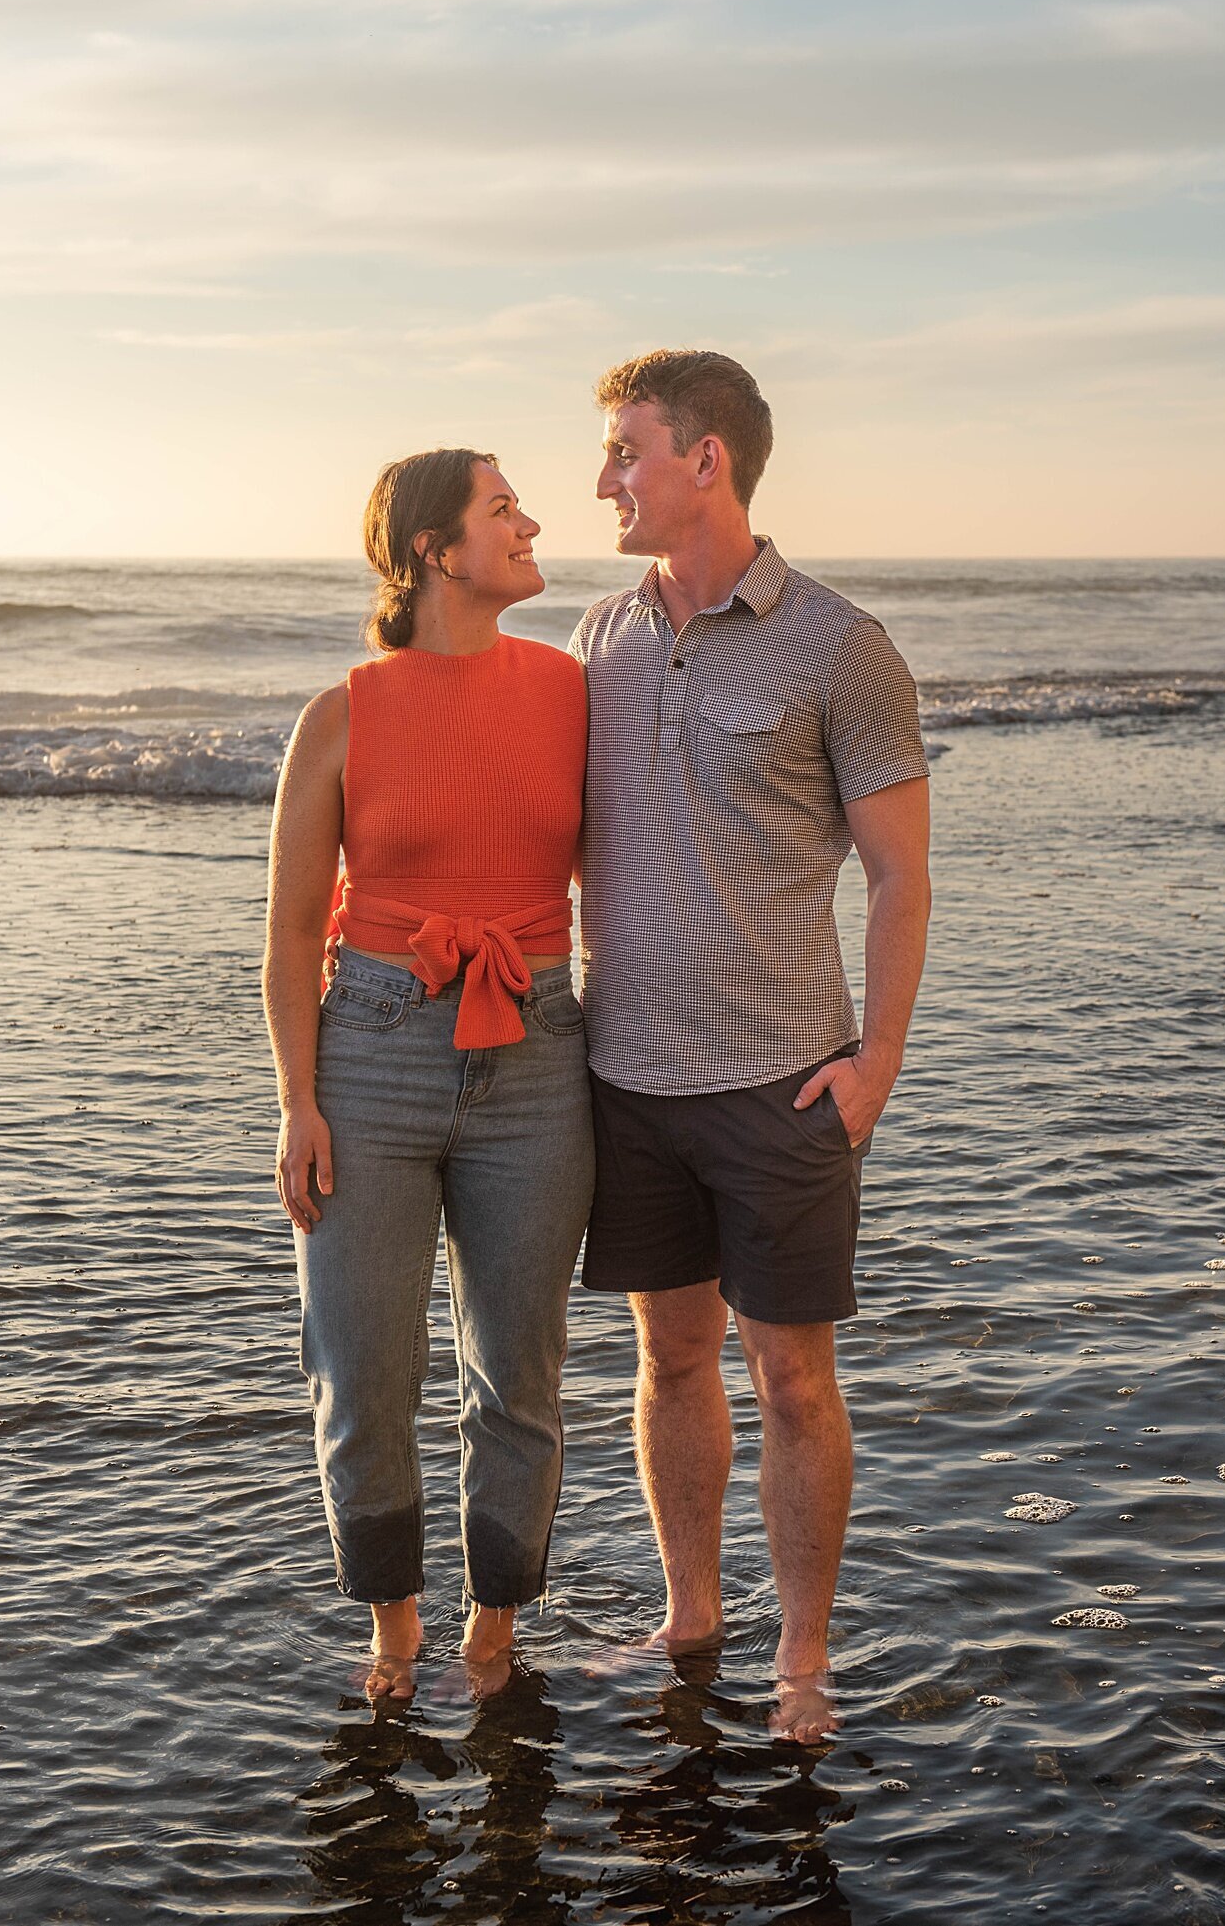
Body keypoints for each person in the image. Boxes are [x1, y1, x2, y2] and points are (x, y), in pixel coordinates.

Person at [571, 350, 932, 1745]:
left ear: (705, 459)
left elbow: (901, 876)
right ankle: (691, 1616)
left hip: (785, 1085)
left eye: (625, 451)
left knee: (791, 1377)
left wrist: (876, 1066)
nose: (605, 478)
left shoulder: (840, 646)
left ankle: (802, 1656)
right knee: (668, 1363)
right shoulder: (596, 638)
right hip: (628, 1086)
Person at [263, 448, 593, 1702]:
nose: (529, 523)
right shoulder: (342, 712)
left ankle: (494, 1637)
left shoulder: (570, 690)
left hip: (538, 1052)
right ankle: (394, 1630)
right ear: (433, 551)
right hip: (372, 1053)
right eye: (503, 508)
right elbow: (294, 931)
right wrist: (297, 1100)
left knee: (520, 1372)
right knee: (361, 1368)